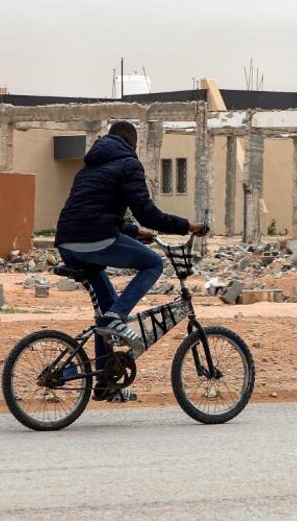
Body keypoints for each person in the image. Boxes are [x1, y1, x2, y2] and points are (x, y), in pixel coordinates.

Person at [55, 121, 205, 402]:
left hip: (67, 242)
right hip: (94, 239)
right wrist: (188, 226)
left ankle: (105, 383)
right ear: (133, 144)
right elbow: (147, 213)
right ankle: (116, 319)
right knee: (153, 264)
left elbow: (94, 211)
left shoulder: (89, 166)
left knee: (106, 311)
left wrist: (135, 232)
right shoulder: (128, 164)